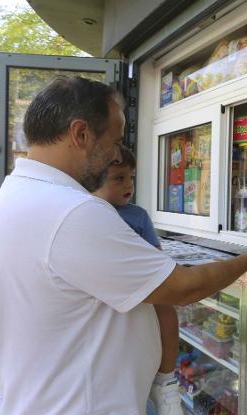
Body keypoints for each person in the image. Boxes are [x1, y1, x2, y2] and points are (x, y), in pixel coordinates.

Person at [0, 76, 247, 415]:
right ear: (81, 134)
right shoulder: (72, 211)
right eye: (114, 140)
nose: (116, 153)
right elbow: (184, 288)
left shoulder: (14, 195)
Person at [93, 146, 182, 415]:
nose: (128, 185)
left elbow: (157, 259)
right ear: (94, 179)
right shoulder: (88, 213)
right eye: (119, 178)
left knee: (167, 308)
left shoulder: (138, 215)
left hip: (142, 287)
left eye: (131, 177)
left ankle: (166, 382)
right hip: (106, 294)